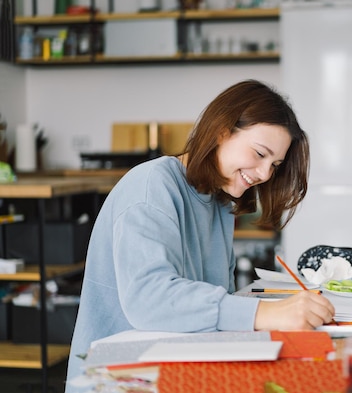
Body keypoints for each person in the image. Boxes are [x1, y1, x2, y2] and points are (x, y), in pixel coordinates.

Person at [65, 79, 336, 389]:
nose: (264, 174)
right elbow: (149, 300)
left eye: (274, 164)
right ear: (222, 132)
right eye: (260, 154)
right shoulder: (152, 184)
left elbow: (207, 310)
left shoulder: (218, 202)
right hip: (119, 379)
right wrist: (264, 314)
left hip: (177, 367)